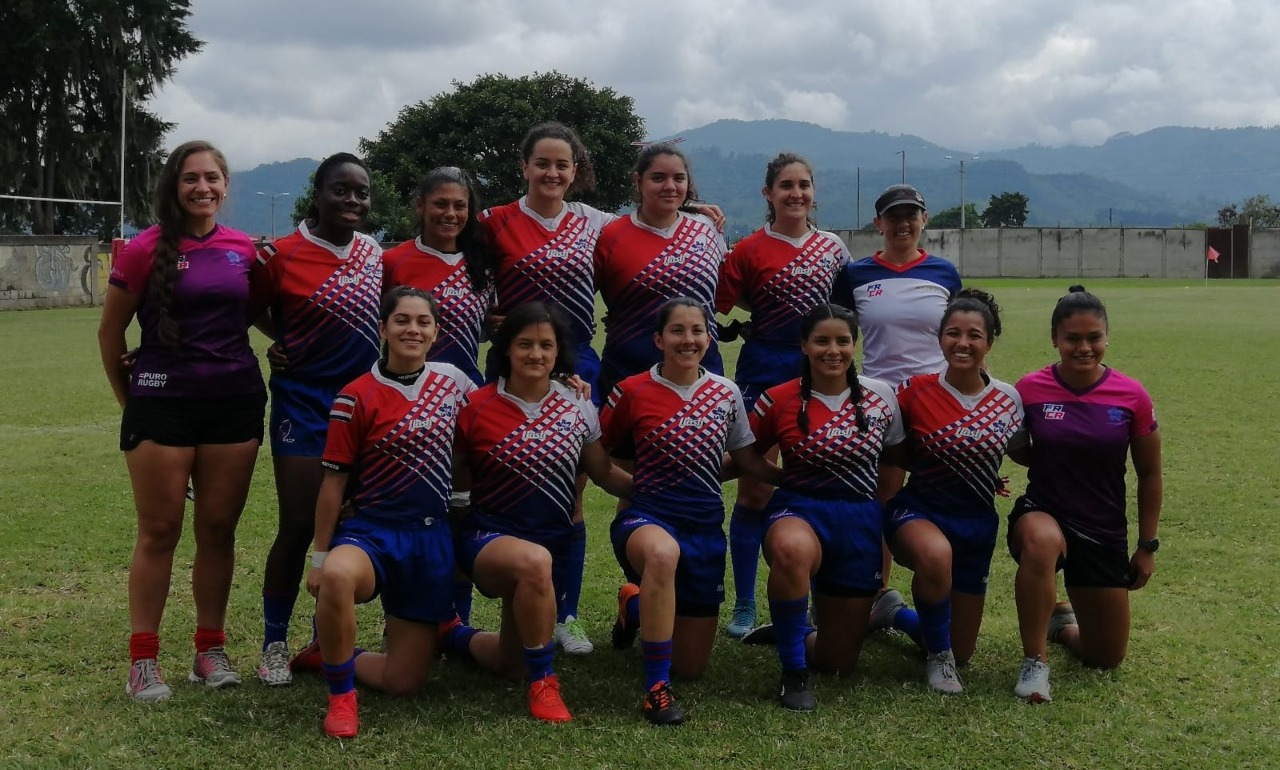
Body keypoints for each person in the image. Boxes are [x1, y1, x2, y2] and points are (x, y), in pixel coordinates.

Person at [97, 140, 266, 701]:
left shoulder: (244, 248)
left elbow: (264, 317)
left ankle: (209, 650)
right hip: (161, 404)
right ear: (175, 186)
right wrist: (132, 404)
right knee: (161, 530)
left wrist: (288, 350)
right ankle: (143, 660)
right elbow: (109, 334)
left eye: (212, 178)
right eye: (191, 178)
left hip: (235, 404)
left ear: (224, 185)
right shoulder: (144, 250)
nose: (203, 188)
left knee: (218, 531)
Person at [444, 303, 634, 723]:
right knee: (533, 562)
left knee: (509, 663)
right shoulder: (473, 407)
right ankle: (545, 683)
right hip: (488, 540)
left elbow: (603, 471)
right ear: (507, 350)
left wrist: (658, 492)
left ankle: (452, 634)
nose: (535, 354)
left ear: (558, 353)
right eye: (524, 344)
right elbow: (453, 482)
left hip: (551, 548)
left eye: (545, 345)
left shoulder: (578, 403)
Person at [301, 286, 475, 738]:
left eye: (422, 322)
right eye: (401, 320)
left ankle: (331, 654)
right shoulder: (354, 396)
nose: (412, 329)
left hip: (430, 539)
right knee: (338, 576)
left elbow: (503, 407)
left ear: (436, 332)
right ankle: (341, 698)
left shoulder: (454, 383)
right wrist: (320, 557)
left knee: (403, 683)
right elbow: (334, 481)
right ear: (382, 329)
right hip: (372, 532)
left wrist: (564, 381)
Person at [600, 298, 781, 725]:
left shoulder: (725, 392)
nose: (688, 340)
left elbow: (747, 461)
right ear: (659, 339)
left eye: (697, 331)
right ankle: (657, 689)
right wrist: (634, 488)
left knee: (693, 666)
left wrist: (796, 476)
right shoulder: (631, 390)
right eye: (677, 331)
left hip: (704, 530)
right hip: (646, 521)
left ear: (709, 337)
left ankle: (636, 605)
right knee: (662, 555)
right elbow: (596, 455)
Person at [250, 153, 383, 686]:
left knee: (349, 521)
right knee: (301, 522)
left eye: (361, 193)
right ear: (318, 193)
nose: (352, 201)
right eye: (341, 191)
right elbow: (252, 309)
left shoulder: (375, 254)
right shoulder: (280, 256)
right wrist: (277, 342)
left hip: (361, 407)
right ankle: (273, 642)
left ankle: (318, 636)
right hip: (302, 404)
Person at [715, 152, 850, 638]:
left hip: (822, 380)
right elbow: (714, 305)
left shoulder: (834, 249)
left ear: (814, 192)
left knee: (813, 483)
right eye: (786, 185)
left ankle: (809, 596)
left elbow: (847, 311)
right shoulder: (748, 249)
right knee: (754, 486)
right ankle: (747, 604)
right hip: (762, 373)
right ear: (768, 193)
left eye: (804, 185)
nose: (796, 193)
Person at [1005, 285, 1162, 703]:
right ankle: (1034, 662)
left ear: (1107, 337)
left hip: (1102, 525)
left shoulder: (1132, 395)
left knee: (1105, 656)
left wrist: (1147, 546)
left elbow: (1149, 474)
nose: (1084, 347)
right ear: (1055, 339)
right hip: (1044, 511)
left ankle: (1061, 625)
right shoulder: (1029, 389)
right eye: (1073, 338)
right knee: (1042, 541)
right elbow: (1017, 448)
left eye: (1094, 337)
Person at [745, 304, 904, 711]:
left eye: (842, 341)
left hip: (857, 520)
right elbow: (745, 456)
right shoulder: (777, 400)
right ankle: (793, 671)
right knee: (791, 551)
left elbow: (897, 459)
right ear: (804, 345)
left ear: (855, 345)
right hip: (799, 509)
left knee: (838, 663)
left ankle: (791, 631)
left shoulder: (882, 397)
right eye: (821, 341)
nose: (832, 350)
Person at [878, 289, 1025, 694]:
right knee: (936, 555)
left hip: (976, 524)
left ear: (989, 342)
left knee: (963, 650)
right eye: (953, 333)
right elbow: (889, 447)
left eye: (974, 335)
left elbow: (1023, 451)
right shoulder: (913, 390)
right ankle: (937, 661)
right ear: (940, 338)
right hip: (919, 511)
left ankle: (893, 614)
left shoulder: (1008, 399)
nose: (963, 343)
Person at [832, 183, 961, 598]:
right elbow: (838, 337)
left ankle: (941, 589)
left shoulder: (944, 273)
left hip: (934, 401)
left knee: (941, 496)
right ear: (878, 223)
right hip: (878, 404)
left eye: (911, 215)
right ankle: (879, 592)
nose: (903, 223)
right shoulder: (855, 274)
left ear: (924, 219)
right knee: (882, 498)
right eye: (893, 216)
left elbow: (962, 338)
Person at [595, 143, 729, 398]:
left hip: (703, 375)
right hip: (627, 376)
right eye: (658, 178)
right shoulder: (611, 235)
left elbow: (731, 290)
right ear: (638, 181)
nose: (670, 186)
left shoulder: (708, 228)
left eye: (679, 178)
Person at [383, 166, 495, 386]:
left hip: (465, 391)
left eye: (460, 206)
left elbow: (485, 330)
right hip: (403, 391)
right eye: (441, 204)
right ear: (420, 206)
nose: (451, 214)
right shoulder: (393, 261)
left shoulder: (483, 266)